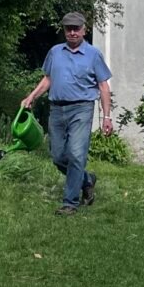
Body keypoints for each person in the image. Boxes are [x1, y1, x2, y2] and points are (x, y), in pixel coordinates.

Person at [22, 11, 113, 216]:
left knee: (76, 154)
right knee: (57, 156)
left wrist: (107, 117)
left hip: (81, 108)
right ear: (64, 30)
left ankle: (70, 202)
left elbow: (103, 86)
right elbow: (48, 79)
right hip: (57, 109)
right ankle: (86, 181)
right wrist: (31, 97)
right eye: (68, 29)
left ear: (84, 30)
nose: (72, 32)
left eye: (76, 29)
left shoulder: (93, 54)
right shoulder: (55, 52)